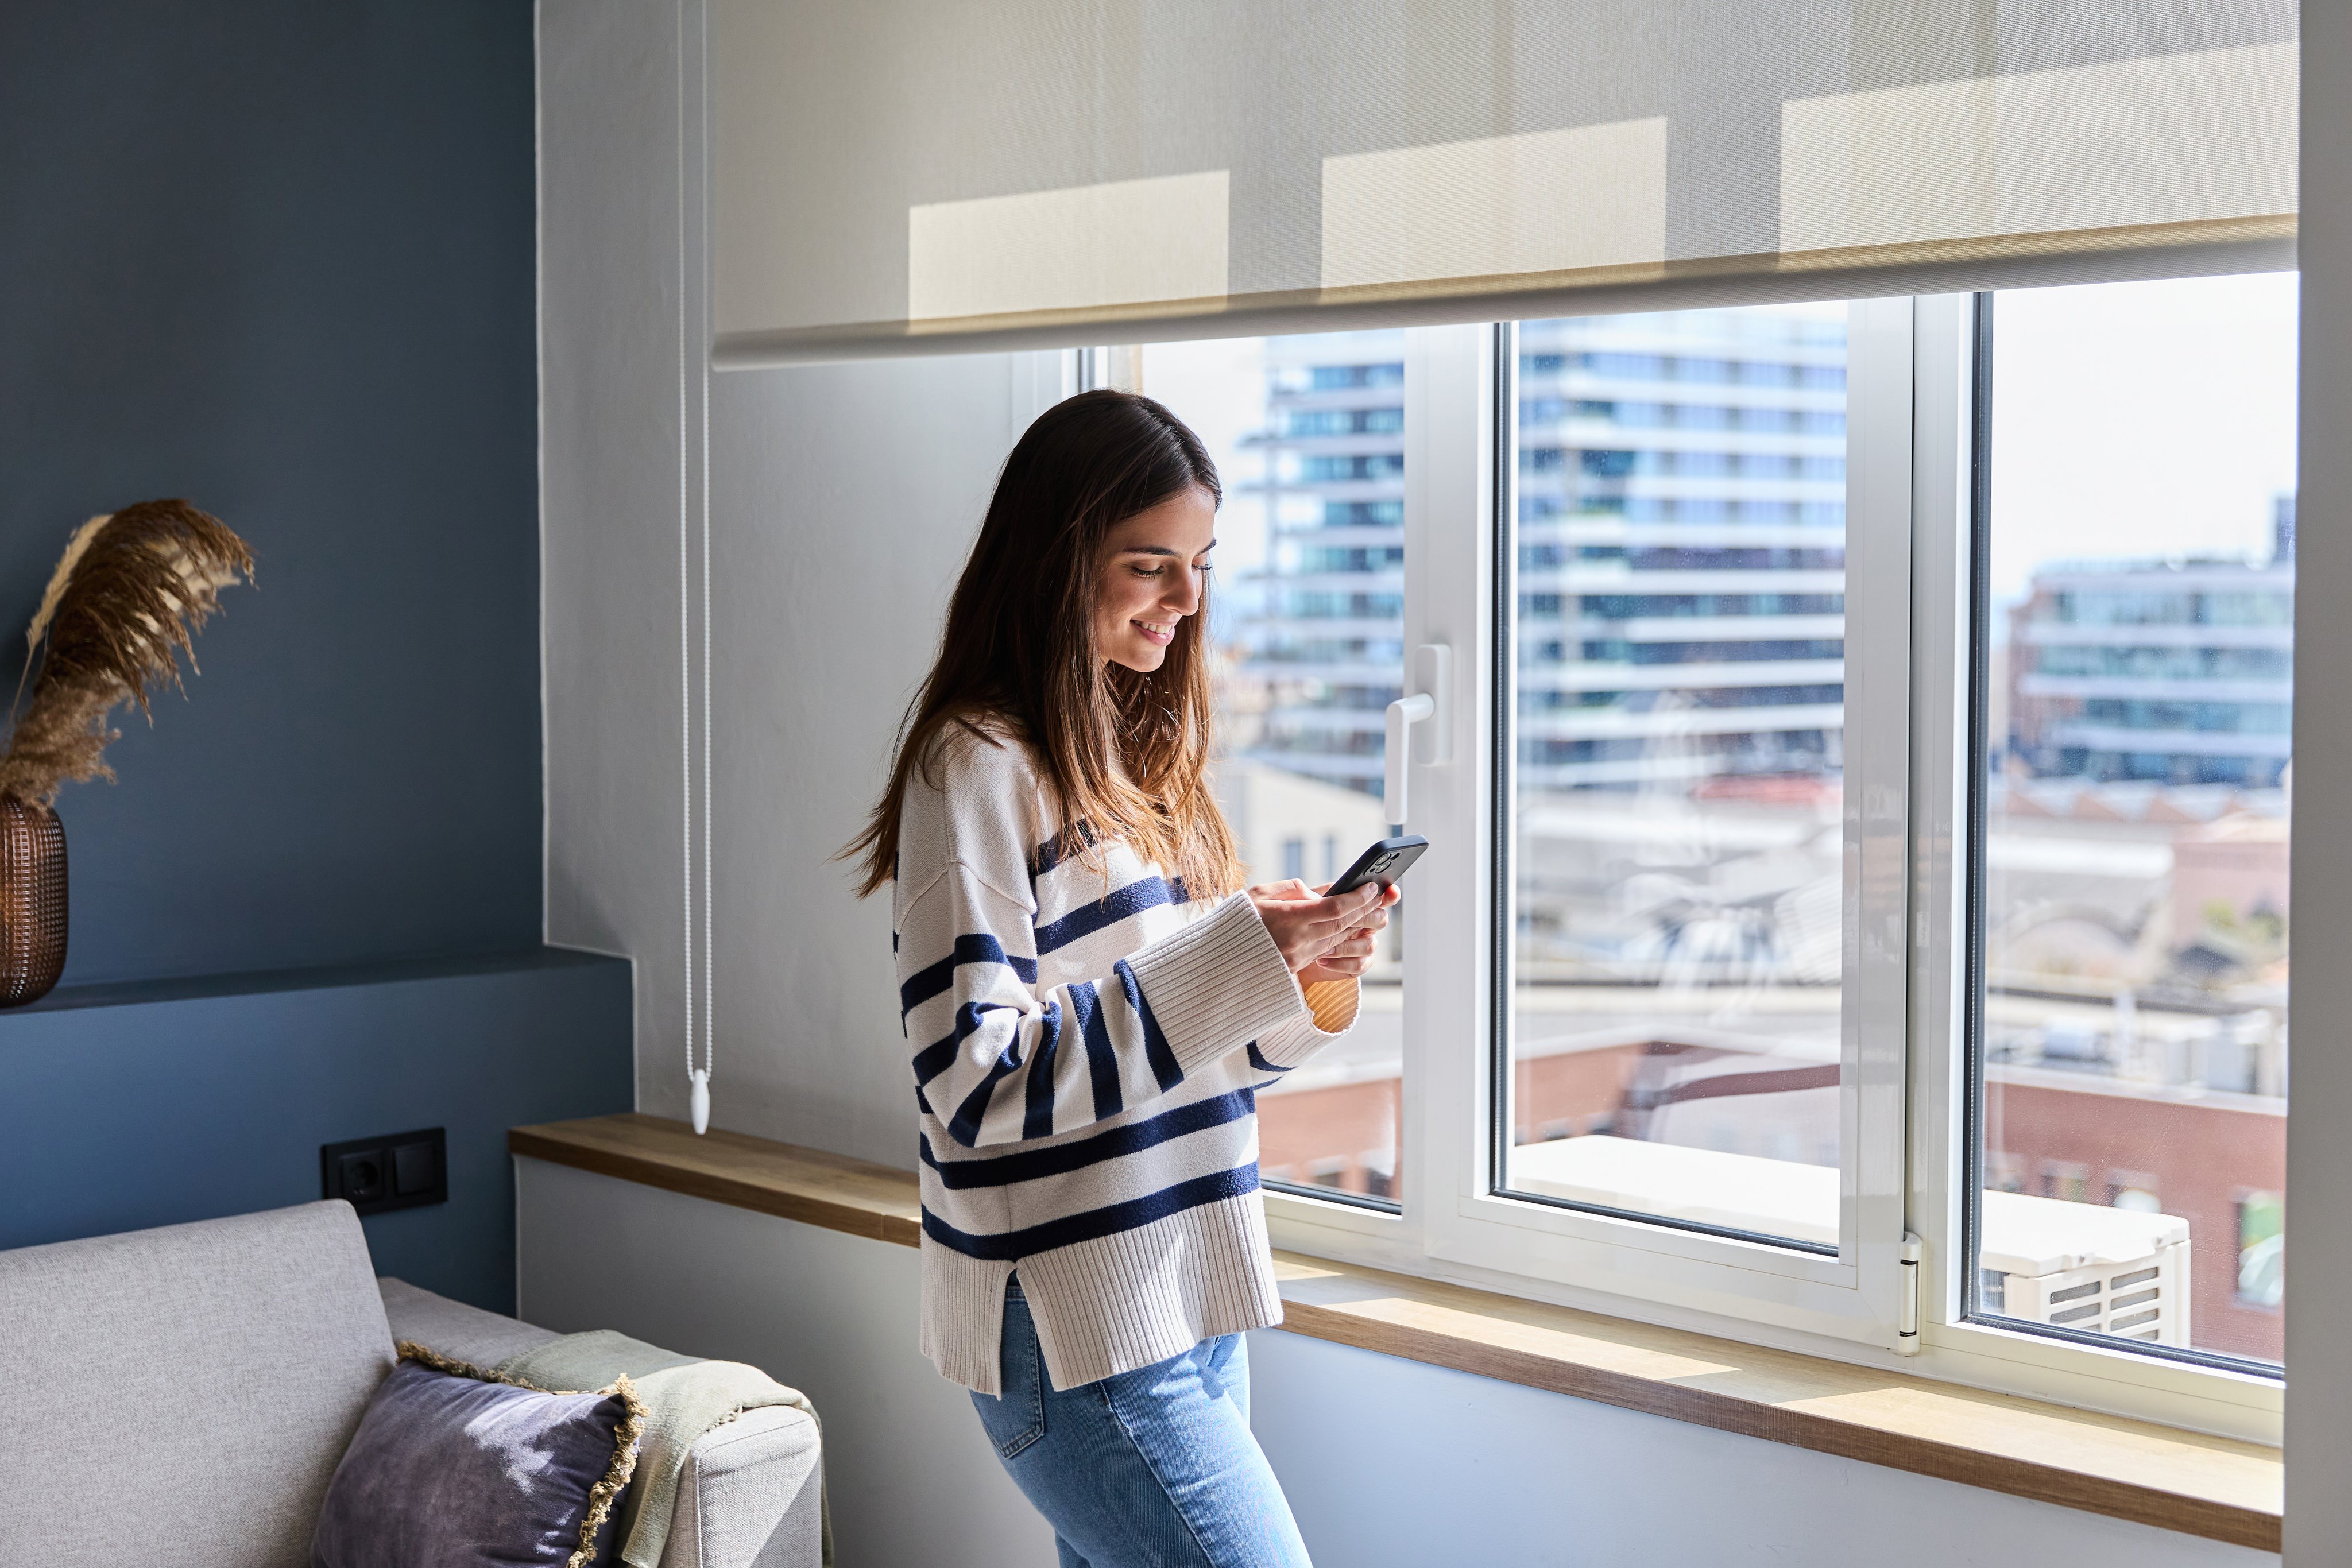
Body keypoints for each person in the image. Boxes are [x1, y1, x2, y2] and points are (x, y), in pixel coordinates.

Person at [848, 389, 1396, 1567]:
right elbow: (975, 1082)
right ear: (1056, 560)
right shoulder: (974, 767)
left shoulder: (1131, 760)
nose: (1186, 600)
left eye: (1200, 565)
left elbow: (1178, 1062)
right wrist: (1230, 957)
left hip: (1185, 1296)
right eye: (1150, 565)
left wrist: (1295, 974)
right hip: (1079, 1327)